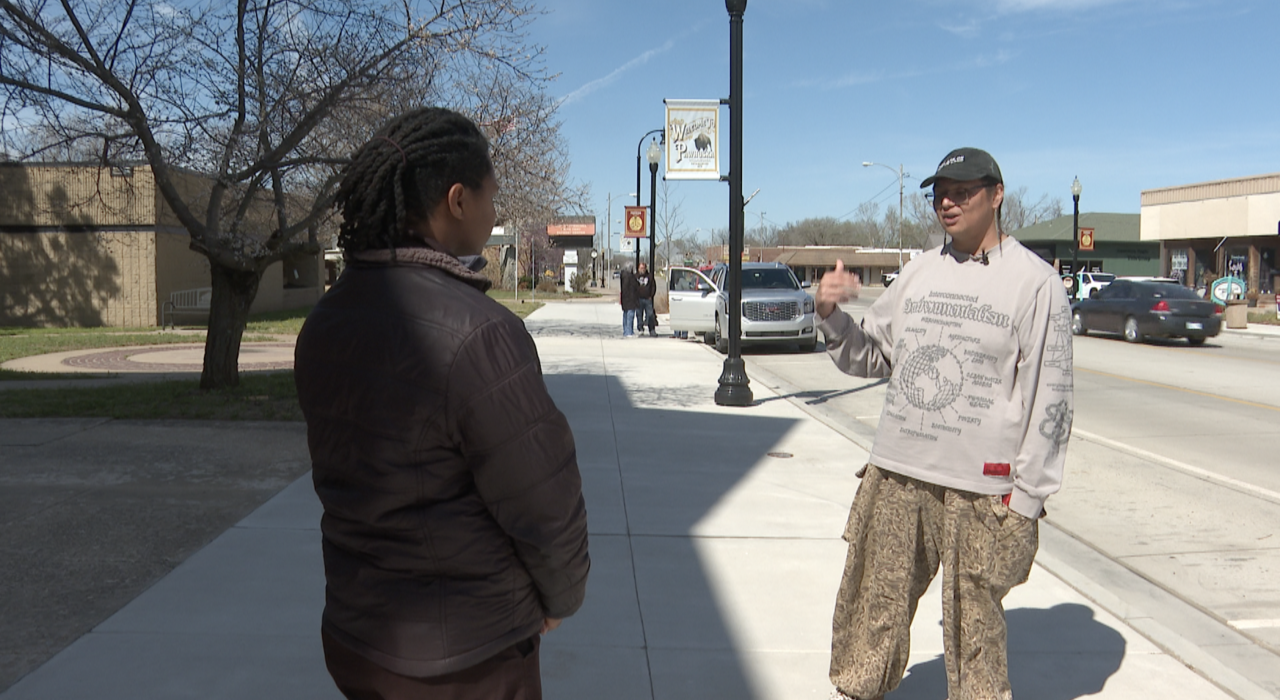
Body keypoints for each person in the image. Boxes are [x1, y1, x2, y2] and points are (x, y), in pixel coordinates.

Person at [294, 107, 590, 700]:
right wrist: (560, 598)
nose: (494, 212)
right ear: (456, 200)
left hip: (358, 638)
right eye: (490, 196)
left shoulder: (324, 322)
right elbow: (543, 501)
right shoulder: (480, 333)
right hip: (466, 661)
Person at [817, 148, 1073, 700]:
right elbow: (873, 358)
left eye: (962, 191)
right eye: (939, 193)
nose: (947, 203)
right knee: (870, 611)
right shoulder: (918, 273)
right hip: (897, 475)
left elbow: (1050, 401)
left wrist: (1027, 500)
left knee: (974, 633)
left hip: (981, 492)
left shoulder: (1035, 283)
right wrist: (831, 316)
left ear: (996, 194)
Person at [636, 262, 657, 336]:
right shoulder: (636, 276)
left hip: (648, 299)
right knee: (639, 315)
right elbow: (633, 287)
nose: (642, 269)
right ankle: (640, 329)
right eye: (641, 268)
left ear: (645, 268)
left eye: (643, 268)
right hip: (639, 299)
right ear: (638, 269)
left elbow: (653, 287)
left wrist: (651, 295)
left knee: (650, 314)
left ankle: (652, 330)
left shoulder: (650, 276)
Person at [619, 264, 639, 337]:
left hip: (625, 299)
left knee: (626, 315)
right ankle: (628, 331)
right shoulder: (629, 277)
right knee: (630, 316)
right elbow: (634, 286)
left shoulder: (624, 276)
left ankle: (626, 331)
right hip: (630, 299)